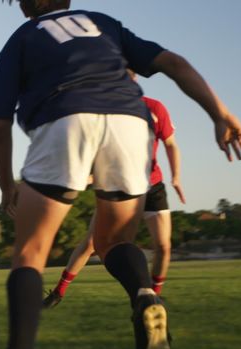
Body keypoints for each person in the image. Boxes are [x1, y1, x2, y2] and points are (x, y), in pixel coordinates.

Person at [0, 1, 241, 349]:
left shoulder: (21, 38)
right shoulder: (102, 22)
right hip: (130, 123)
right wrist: (221, 114)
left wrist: (6, 186)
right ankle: (145, 297)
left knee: (31, 251)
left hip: (65, 115)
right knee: (112, 241)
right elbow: (174, 63)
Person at [44, 76, 186, 309]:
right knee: (91, 243)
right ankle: (59, 292)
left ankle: (152, 298)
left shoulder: (154, 108)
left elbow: (171, 144)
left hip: (152, 185)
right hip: (119, 187)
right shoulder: (105, 114)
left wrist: (176, 177)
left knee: (163, 246)